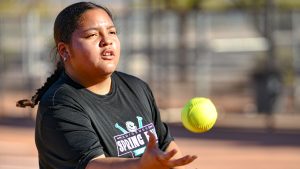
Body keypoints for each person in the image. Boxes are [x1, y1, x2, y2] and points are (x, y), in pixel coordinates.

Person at [16, 2, 197, 169]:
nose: (107, 40)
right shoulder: (59, 104)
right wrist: (141, 164)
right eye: (93, 35)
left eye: (112, 32)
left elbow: (166, 144)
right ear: (65, 51)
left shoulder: (136, 87)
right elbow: (94, 165)